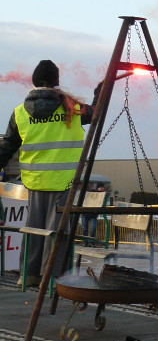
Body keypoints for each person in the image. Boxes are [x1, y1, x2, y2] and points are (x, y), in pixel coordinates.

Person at [0, 60, 93, 288]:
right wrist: (100, 89)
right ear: (56, 82)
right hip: (63, 182)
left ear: (33, 82)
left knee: (34, 230)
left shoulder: (20, 113)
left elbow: (8, 146)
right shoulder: (71, 108)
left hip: (34, 182)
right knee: (57, 233)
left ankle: (28, 275)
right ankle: (54, 279)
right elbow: (95, 111)